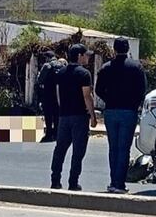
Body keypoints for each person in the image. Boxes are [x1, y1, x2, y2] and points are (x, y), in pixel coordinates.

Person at [95, 38, 148, 193]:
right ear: (128, 49)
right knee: (124, 149)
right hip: (128, 112)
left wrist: (109, 99)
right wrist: (134, 104)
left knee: (113, 148)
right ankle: (119, 184)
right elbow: (142, 90)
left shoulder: (105, 68)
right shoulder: (136, 67)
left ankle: (113, 182)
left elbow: (98, 90)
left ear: (114, 49)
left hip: (111, 111)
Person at [50, 44, 97, 191]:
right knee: (78, 151)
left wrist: (63, 109)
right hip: (79, 117)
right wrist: (93, 115)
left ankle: (55, 180)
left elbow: (58, 96)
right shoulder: (84, 74)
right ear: (79, 56)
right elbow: (87, 96)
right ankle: (73, 181)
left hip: (64, 116)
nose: (87, 57)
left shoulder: (61, 72)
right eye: (86, 55)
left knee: (60, 149)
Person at [35, 51, 65, 142]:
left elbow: (40, 80)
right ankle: (56, 134)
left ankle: (48, 134)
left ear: (47, 57)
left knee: (48, 115)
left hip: (48, 94)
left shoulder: (47, 66)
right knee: (57, 115)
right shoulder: (62, 65)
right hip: (59, 95)